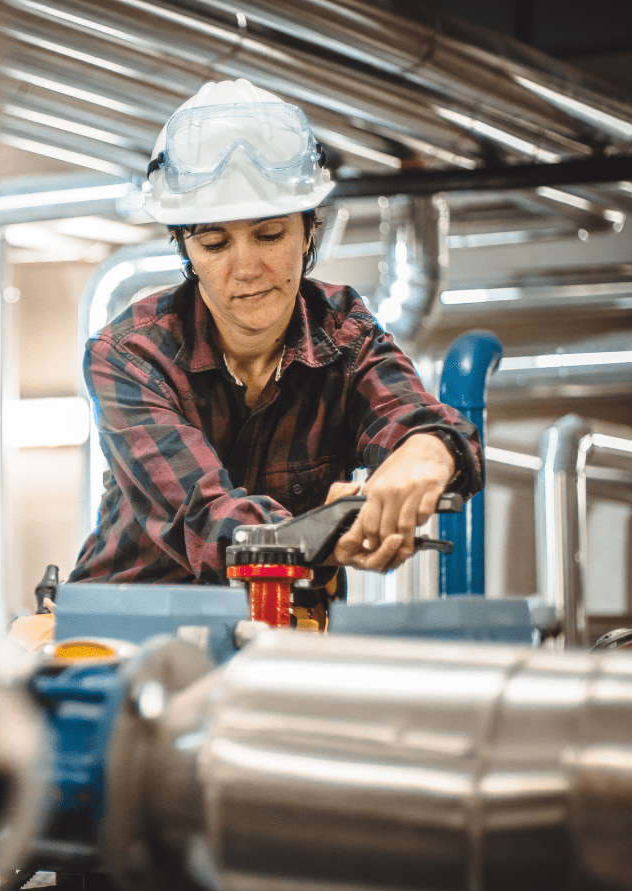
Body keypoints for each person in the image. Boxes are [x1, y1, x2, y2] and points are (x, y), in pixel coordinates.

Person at [65, 79, 483, 622]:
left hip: (287, 625)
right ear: (185, 249)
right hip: (125, 630)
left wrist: (426, 453)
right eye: (215, 243)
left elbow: (418, 421)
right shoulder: (130, 355)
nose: (245, 268)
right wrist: (321, 536)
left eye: (268, 235)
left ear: (310, 232)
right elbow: (204, 515)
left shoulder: (346, 337)